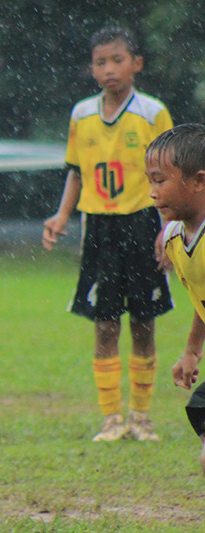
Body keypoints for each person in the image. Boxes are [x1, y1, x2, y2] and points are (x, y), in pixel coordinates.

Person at [41, 25, 173, 442]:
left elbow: (172, 176)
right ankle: (111, 418)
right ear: (92, 69)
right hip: (99, 227)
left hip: (143, 223)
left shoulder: (153, 113)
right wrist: (62, 216)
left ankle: (141, 416)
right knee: (104, 322)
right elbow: (76, 172)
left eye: (117, 60)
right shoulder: (81, 114)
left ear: (136, 64)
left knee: (144, 320)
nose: (109, 69)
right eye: (101, 62)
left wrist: (168, 230)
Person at [149, 124, 205, 472]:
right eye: (149, 181)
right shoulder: (174, 238)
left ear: (198, 181)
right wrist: (191, 350)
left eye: (160, 180)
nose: (152, 192)